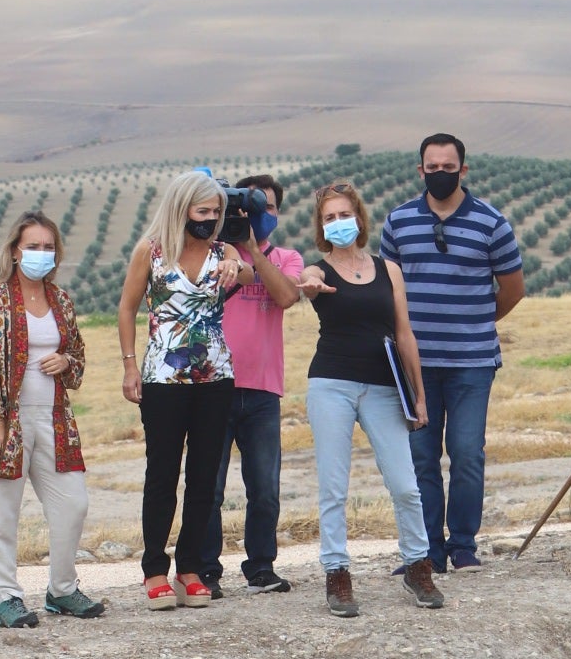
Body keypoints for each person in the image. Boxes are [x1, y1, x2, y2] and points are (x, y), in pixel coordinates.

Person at [380, 133, 524, 575]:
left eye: (448, 167)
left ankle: (463, 544)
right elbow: (388, 287)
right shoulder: (398, 221)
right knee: (420, 458)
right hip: (414, 365)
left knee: (466, 453)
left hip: (472, 362)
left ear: (463, 169)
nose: (439, 174)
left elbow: (513, 289)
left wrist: (474, 323)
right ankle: (426, 551)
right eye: (432, 167)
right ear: (419, 170)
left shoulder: (491, 222)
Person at [300, 183, 435, 618]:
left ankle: (418, 564)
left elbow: (404, 332)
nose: (338, 223)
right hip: (332, 383)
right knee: (334, 487)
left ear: (359, 217)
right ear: (322, 227)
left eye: (344, 214)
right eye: (329, 218)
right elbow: (308, 282)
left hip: (383, 386)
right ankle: (337, 573)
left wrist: (419, 395)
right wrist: (310, 284)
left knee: (405, 484)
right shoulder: (318, 269)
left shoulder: (388, 269)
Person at [0, 210, 103, 630]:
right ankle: (6, 597)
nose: (41, 254)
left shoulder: (61, 300)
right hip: (5, 423)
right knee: (2, 516)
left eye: (48, 247)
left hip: (55, 418)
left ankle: (61, 590)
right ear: (14, 250)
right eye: (33, 246)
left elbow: (78, 356)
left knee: (73, 504)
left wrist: (66, 361)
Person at [117, 172, 247, 610]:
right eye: (202, 212)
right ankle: (154, 569)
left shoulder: (223, 252)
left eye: (216, 213)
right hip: (162, 379)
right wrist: (129, 365)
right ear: (181, 208)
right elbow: (127, 307)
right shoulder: (150, 251)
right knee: (162, 475)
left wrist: (238, 264)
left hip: (215, 376)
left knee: (205, 477)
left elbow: (247, 273)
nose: (210, 220)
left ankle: (190, 569)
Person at [207, 174, 303, 594]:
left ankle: (261, 566)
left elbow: (285, 296)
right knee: (207, 486)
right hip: (214, 384)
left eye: (267, 208)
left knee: (264, 487)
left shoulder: (286, 258)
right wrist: (229, 246)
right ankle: (204, 568)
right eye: (250, 208)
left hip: (263, 389)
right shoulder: (210, 255)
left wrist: (250, 249)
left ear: (276, 214)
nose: (260, 216)